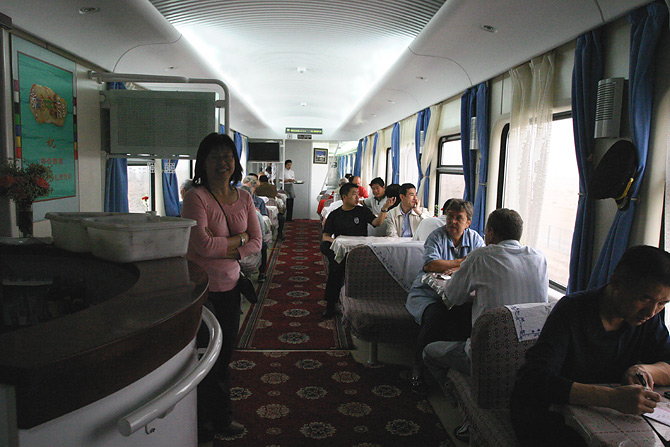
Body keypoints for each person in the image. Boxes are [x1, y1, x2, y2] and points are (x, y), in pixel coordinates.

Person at [510, 245, 670, 447]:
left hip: (604, 414)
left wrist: (643, 369)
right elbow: (533, 378)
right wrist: (612, 398)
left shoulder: (647, 319)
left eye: (663, 303)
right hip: (548, 412)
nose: (651, 311)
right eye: (644, 298)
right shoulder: (572, 310)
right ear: (616, 282)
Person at [422, 208, 548, 442]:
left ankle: (466, 412)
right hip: (532, 357)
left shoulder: (481, 257)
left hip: (489, 356)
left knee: (430, 352)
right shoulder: (539, 257)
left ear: (489, 233)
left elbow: (452, 297)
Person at [181, 132, 262, 441]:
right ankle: (200, 425)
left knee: (225, 355)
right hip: (201, 290)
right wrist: (238, 242)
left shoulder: (243, 196)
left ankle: (222, 418)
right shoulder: (195, 197)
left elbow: (255, 241)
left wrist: (229, 245)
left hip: (230, 286)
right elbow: (200, 245)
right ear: (202, 162)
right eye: (214, 157)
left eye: (227, 156)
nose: (222, 162)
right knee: (204, 358)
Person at [405, 199, 485, 393]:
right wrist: (461, 262)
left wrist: (453, 265)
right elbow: (430, 265)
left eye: (459, 218)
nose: (453, 221)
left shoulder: (475, 239)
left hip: (459, 294)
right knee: (435, 316)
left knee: (467, 316)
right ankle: (418, 367)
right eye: (450, 216)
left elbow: (480, 264)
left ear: (468, 222)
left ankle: (453, 368)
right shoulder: (436, 236)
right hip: (428, 294)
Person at [320, 182, 396, 319]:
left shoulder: (362, 211)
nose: (357, 197)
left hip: (359, 250)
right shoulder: (335, 215)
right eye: (354, 194)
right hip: (342, 249)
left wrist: (385, 208)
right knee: (335, 266)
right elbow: (325, 236)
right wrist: (338, 243)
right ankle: (331, 304)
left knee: (339, 267)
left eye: (358, 194)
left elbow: (377, 223)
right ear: (344, 197)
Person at [241, 176, 269, 281]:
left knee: (263, 244)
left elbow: (265, 218)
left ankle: (262, 272)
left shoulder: (259, 202)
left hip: (253, 235)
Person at [256, 174, 284, 239]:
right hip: (273, 207)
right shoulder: (273, 187)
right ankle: (280, 234)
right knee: (281, 218)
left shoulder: (257, 189)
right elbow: (275, 195)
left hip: (263, 209)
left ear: (259, 181)